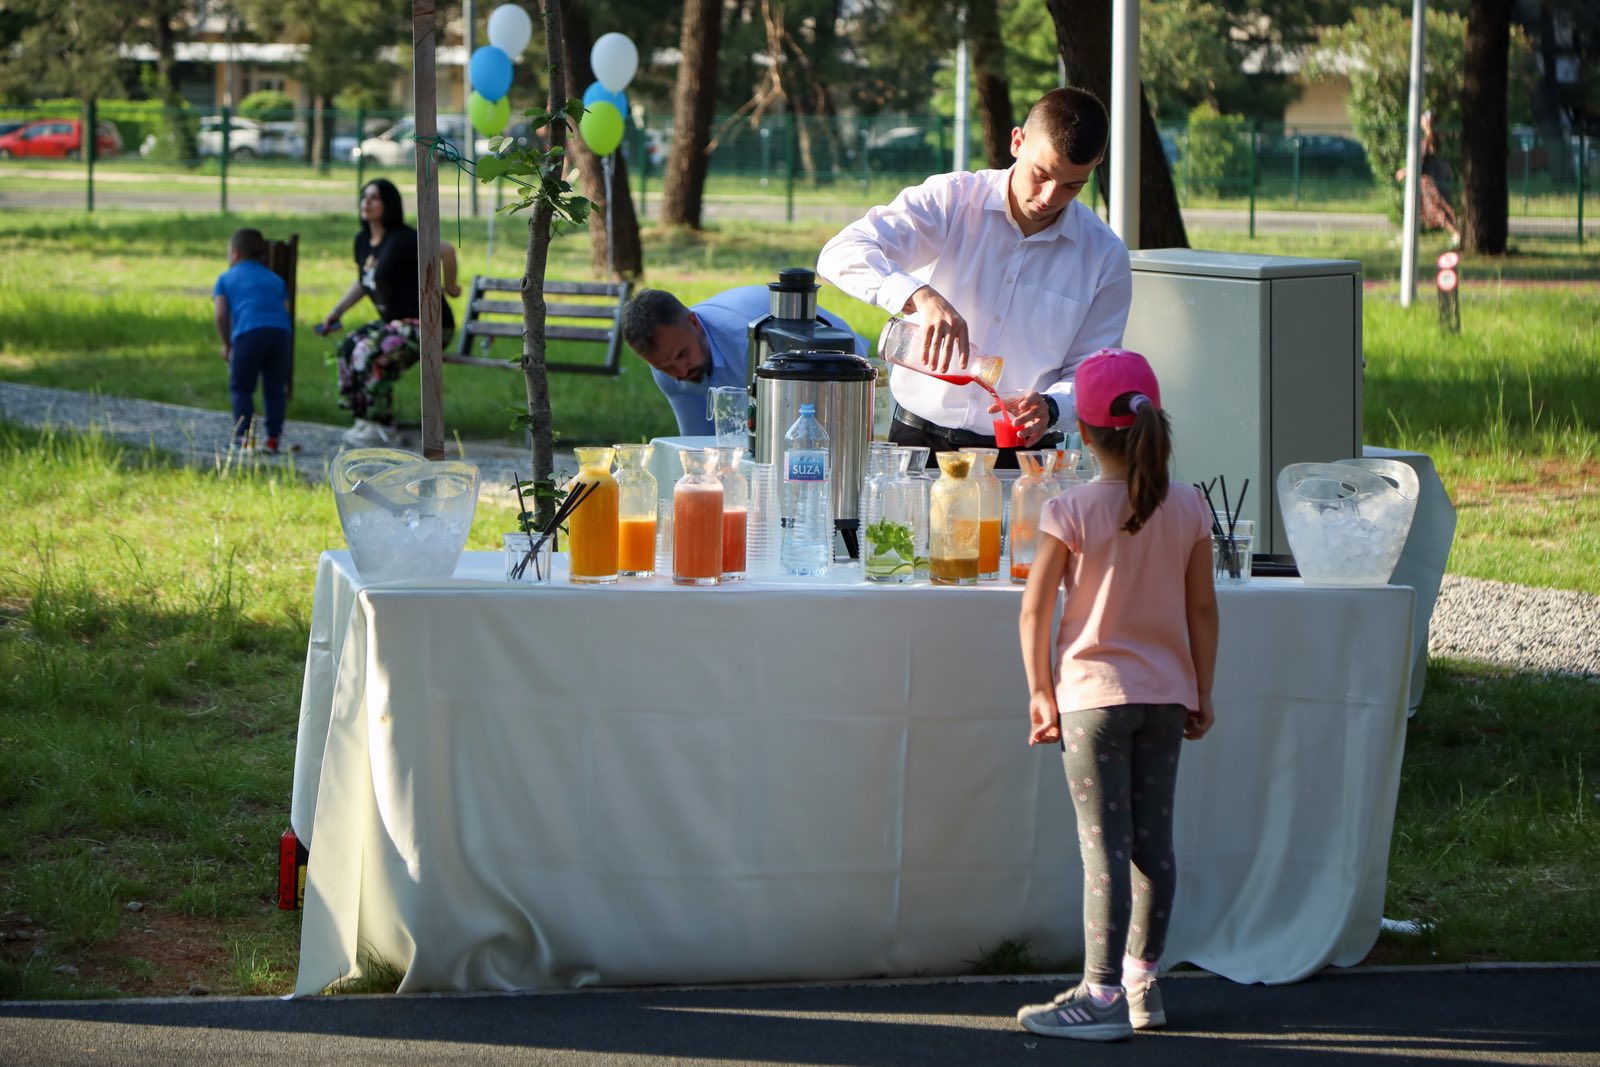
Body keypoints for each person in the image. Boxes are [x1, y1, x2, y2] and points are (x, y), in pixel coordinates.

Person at [1013, 348, 1218, 1041]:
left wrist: (1040, 691)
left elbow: (1035, 609)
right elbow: (1202, 609)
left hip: (1092, 701)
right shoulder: (1189, 505)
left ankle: (1098, 995)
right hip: (1164, 698)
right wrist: (1201, 688)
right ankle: (1141, 983)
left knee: (1104, 848)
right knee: (1154, 843)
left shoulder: (1068, 508)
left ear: (1084, 431)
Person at [817, 87, 1131, 469]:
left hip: (1022, 458)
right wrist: (919, 295)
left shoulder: (1104, 256)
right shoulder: (953, 199)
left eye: (1072, 186)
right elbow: (840, 252)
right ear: (1017, 141)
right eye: (1041, 174)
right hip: (917, 444)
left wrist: (1053, 406)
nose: (1050, 196)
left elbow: (1093, 370)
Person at [318, 178, 462, 447]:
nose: (367, 202)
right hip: (396, 324)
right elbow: (365, 280)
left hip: (429, 325)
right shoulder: (363, 241)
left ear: (389, 204)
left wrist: (451, 286)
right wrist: (337, 311)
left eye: (375, 197)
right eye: (364, 196)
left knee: (368, 351)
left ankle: (383, 426)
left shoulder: (403, 238)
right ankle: (365, 418)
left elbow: (446, 250)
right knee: (349, 345)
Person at [620, 286, 868, 436]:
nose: (681, 372)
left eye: (682, 355)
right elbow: (696, 442)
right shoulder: (666, 364)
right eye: (665, 367)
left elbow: (795, 426)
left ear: (694, 323)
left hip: (848, 368)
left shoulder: (748, 342)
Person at [212, 227, 293, 454]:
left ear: (235, 253)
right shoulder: (276, 280)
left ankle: (244, 439)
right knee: (275, 388)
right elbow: (286, 310)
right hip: (280, 334)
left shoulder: (225, 278)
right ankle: (272, 439)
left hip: (248, 333)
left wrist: (227, 344)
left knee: (242, 387)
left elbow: (220, 314)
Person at [1395, 110, 1461, 248]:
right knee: (1427, 210)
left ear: (1426, 122)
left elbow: (1418, 162)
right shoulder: (1437, 140)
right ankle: (1407, 235)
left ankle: (1457, 234)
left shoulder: (1426, 142)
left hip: (1428, 185)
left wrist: (1404, 172)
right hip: (1434, 181)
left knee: (1437, 212)